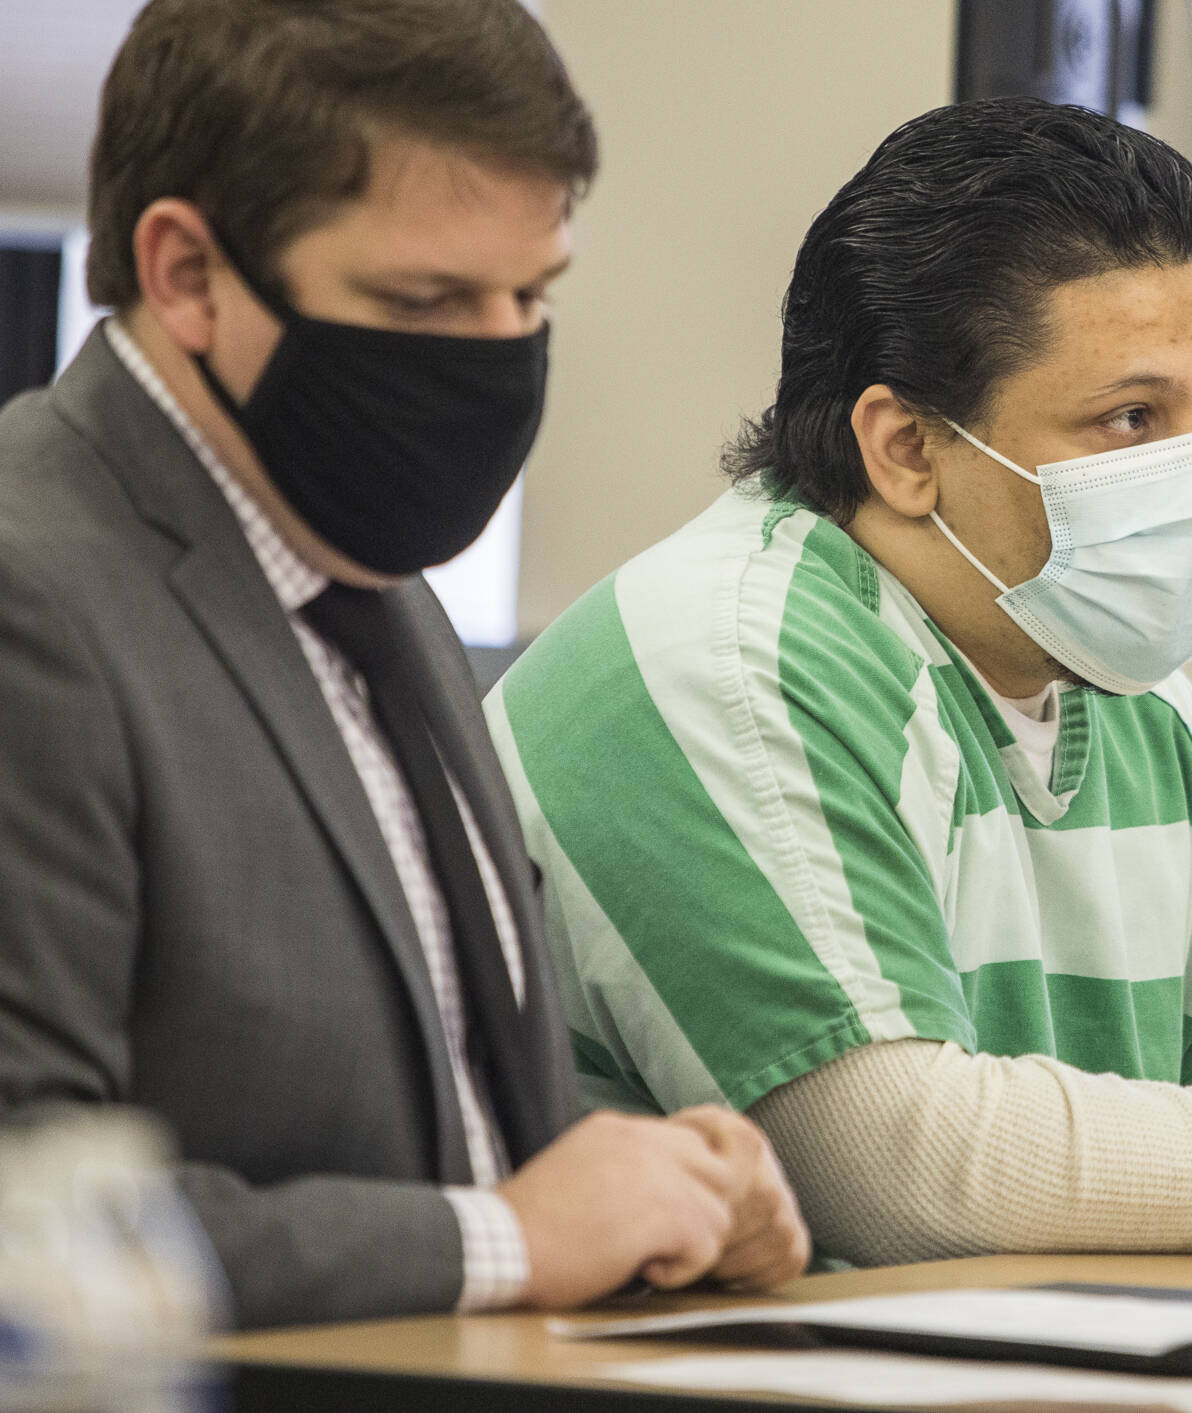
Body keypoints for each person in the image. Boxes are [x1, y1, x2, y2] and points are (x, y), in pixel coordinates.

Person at [490, 97, 1192, 1269]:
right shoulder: (724, 658)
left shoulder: (1123, 691)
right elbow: (903, 1175)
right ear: (907, 448)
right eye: (1130, 418)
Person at [0, 0, 806, 1329]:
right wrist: (503, 1237)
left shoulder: (368, 571)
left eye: (531, 296)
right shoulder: (36, 590)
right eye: (425, 301)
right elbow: (31, 1217)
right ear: (187, 274)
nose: (497, 353)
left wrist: (672, 1204)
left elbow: (462, 1135)